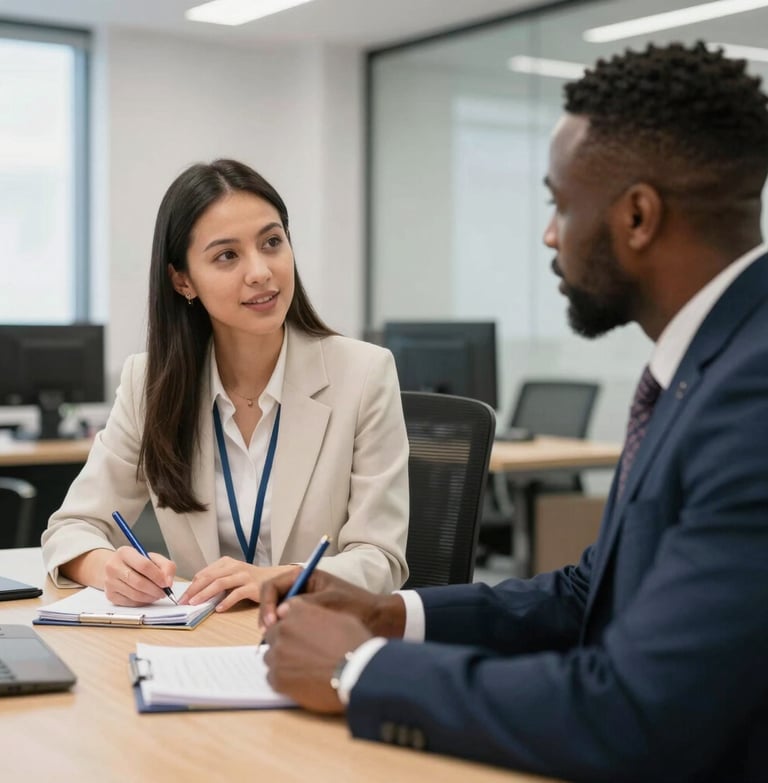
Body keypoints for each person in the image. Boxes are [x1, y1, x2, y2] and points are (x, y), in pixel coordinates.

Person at [259, 42, 768, 782]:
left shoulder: (752, 397)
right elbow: (589, 593)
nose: (550, 234)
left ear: (637, 216)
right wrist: (389, 614)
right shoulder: (708, 365)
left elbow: (633, 714)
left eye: (561, 203)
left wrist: (357, 670)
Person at [41, 159, 409, 611]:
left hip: (315, 641)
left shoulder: (364, 374)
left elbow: (380, 559)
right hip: (200, 645)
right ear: (182, 280)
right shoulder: (150, 383)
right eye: (227, 255)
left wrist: (274, 579)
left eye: (272, 242)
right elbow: (72, 527)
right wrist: (110, 569)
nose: (259, 271)